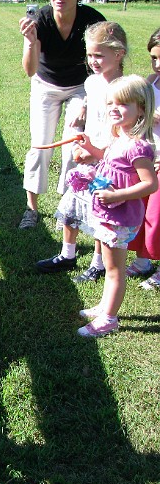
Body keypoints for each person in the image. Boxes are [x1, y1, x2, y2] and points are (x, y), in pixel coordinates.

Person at [17, 0, 106, 229]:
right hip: (46, 85)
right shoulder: (39, 19)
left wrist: (88, 101)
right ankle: (31, 209)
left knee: (73, 147)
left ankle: (67, 205)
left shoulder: (93, 21)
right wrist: (31, 43)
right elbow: (30, 71)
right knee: (40, 146)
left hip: (81, 87)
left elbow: (103, 66)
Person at [35, 21, 126, 281]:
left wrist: (97, 153)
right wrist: (84, 109)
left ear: (118, 54)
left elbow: (122, 133)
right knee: (71, 205)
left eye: (99, 55)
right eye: (89, 54)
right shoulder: (92, 83)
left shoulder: (123, 88)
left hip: (107, 161)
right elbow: (92, 98)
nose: (93, 60)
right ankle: (67, 254)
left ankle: (97, 263)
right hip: (86, 153)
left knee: (100, 214)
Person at [75, 75, 157, 337]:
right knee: (111, 268)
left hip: (120, 216)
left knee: (114, 270)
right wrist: (92, 150)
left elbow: (150, 184)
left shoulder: (139, 147)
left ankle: (109, 319)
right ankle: (104, 306)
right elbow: (110, 161)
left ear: (141, 108)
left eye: (123, 104)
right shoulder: (119, 137)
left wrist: (117, 194)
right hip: (109, 211)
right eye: (111, 103)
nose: (114, 108)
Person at [127, 27, 160, 289]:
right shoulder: (152, 82)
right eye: (154, 57)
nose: (158, 64)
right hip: (147, 158)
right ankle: (143, 259)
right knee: (143, 211)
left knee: (158, 215)